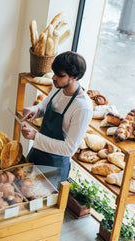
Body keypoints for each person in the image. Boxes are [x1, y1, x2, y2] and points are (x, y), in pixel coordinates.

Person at [21, 51, 93, 181]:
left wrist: (35, 136)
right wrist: (36, 109)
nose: (54, 77)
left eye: (60, 75)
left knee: (39, 201)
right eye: (54, 73)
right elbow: (46, 105)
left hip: (54, 168)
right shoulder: (58, 86)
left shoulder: (83, 108)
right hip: (36, 154)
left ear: (75, 77)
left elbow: (68, 149)